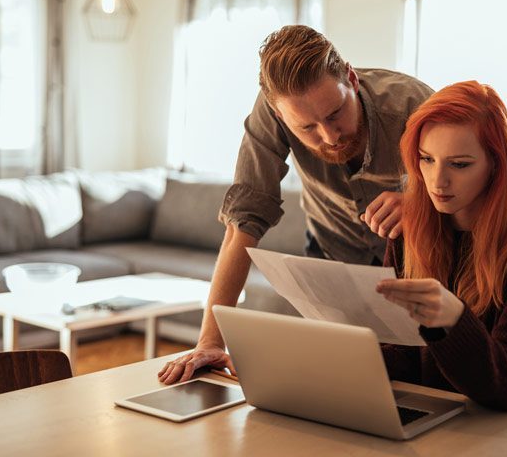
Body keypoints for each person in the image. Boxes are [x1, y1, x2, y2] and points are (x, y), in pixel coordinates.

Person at [159, 25, 433, 384]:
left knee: (425, 385)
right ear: (279, 115)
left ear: (350, 78)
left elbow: (482, 200)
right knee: (342, 386)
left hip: (419, 263)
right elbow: (243, 225)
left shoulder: (415, 106)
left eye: (335, 113)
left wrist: (420, 207)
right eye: (308, 128)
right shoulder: (272, 112)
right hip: (332, 257)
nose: (329, 136)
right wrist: (210, 340)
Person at [375, 80, 507, 411]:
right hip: (432, 416)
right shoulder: (409, 230)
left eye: (459, 164)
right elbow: (404, 357)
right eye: (426, 159)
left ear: (496, 165)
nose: (437, 181)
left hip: (502, 427)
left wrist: (454, 321)